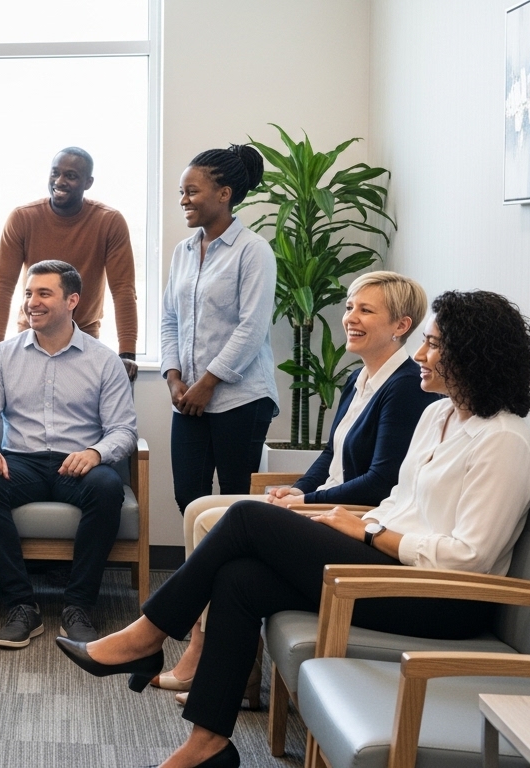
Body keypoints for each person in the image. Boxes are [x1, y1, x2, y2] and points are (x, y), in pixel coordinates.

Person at [59, 290, 530, 768]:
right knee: (240, 580)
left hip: (442, 600)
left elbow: (470, 558)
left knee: (247, 517)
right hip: (391, 567)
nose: (419, 353)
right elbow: (400, 501)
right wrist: (363, 524)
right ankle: (208, 745)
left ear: (475, 355)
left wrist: (369, 534)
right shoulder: (438, 415)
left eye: (434, 345)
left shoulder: (503, 442)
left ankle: (146, 636)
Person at [155, 271, 442, 692]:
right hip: (327, 501)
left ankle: (205, 650)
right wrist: (301, 490)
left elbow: (381, 481)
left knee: (215, 520)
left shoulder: (405, 389)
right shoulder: (358, 377)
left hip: (351, 513)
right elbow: (330, 454)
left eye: (365, 310)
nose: (350, 318)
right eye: (349, 308)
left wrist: (312, 501)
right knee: (198, 507)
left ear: (401, 326)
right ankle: (208, 646)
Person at [0, 260, 137, 648]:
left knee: (108, 488)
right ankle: (21, 606)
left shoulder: (103, 359)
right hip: (20, 461)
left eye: (44, 293)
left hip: (78, 463)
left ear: (72, 300)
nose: (32, 302)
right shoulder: (4, 356)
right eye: (28, 294)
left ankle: (78, 607)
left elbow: (124, 430)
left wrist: (96, 452)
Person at [161, 144, 280, 518]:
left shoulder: (253, 250)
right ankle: (203, 574)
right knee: (188, 496)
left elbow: (253, 328)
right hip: (188, 399)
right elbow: (170, 319)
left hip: (240, 398)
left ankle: (226, 578)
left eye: (192, 191)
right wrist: (173, 377)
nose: (183, 200)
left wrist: (208, 383)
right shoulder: (183, 250)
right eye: (182, 192)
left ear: (224, 194)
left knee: (235, 500)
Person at [0, 147, 139, 379]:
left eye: (71, 175)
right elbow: (2, 286)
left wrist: (127, 352)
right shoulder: (23, 218)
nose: (60, 181)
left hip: (84, 337)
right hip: (32, 334)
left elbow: (123, 290)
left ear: (88, 182)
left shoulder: (109, 222)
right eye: (55, 173)